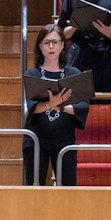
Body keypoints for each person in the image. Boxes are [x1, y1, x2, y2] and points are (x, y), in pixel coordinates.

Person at [23, 24, 87, 186]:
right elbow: (32, 108)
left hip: (64, 139)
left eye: (55, 42)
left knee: (68, 192)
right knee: (34, 192)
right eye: (46, 42)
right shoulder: (32, 74)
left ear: (62, 45)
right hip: (36, 139)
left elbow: (82, 107)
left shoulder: (74, 74)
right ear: (39, 46)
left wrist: (61, 106)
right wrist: (51, 103)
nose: (51, 47)